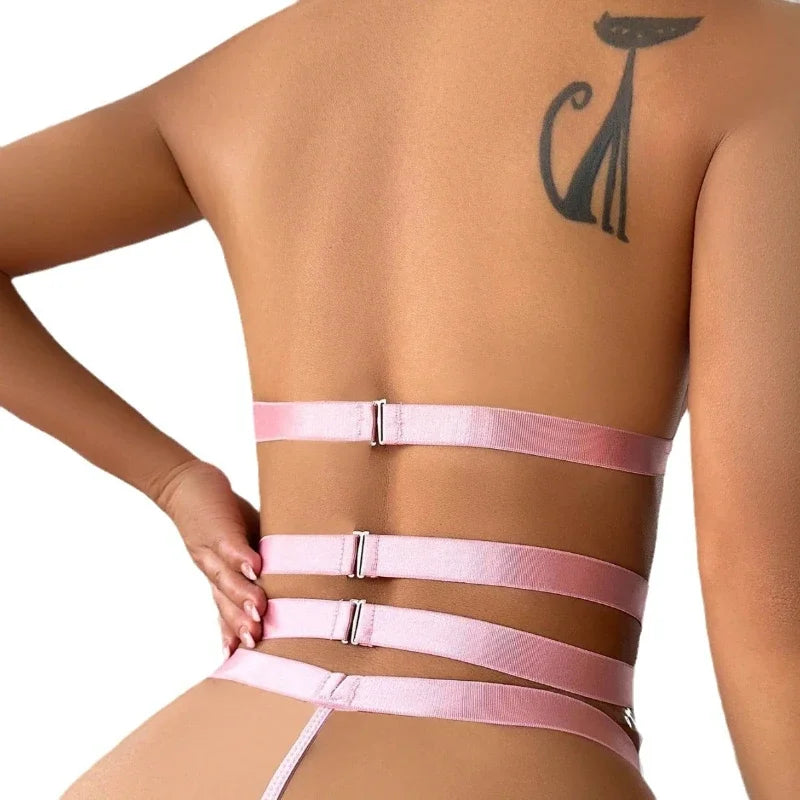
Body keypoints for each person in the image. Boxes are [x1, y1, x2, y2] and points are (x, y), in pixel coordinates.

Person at [2, 0, 799, 797]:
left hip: (177, 766)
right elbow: (759, 584)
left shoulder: (254, 69)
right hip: (507, 762)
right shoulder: (755, 56)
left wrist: (174, 482)